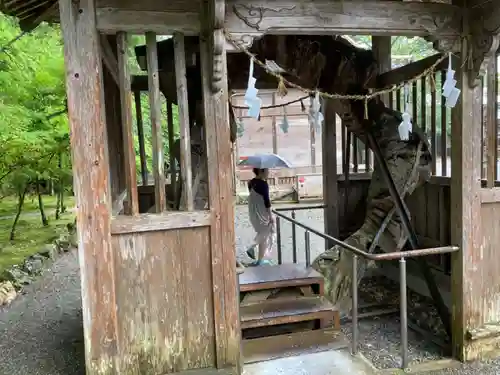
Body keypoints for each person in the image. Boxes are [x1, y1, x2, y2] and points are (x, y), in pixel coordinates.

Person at [246, 168, 275, 266]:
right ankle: (252, 246)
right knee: (267, 230)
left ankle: (260, 260)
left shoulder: (250, 183)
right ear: (261, 171)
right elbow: (267, 202)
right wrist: (271, 216)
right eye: (267, 170)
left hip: (253, 213)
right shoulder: (263, 184)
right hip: (262, 214)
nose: (268, 172)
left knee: (263, 236)